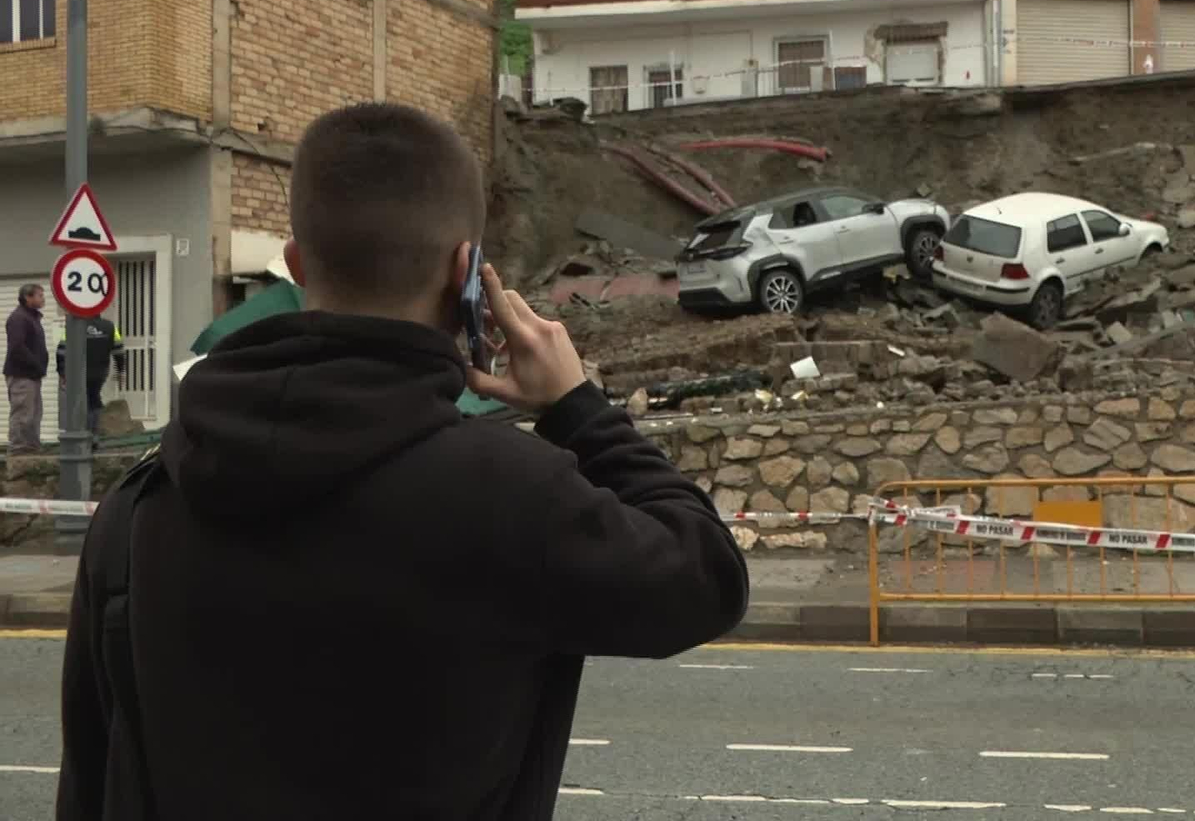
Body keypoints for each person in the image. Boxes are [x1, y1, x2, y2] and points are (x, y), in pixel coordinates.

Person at [57, 103, 750, 821]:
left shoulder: (134, 514)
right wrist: (576, 407)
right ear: (469, 275)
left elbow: (89, 781)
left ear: (295, 265)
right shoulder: (513, 496)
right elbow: (707, 577)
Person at [55, 312, 128, 440]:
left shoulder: (75, 327)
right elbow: (119, 350)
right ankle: (95, 431)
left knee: (86, 401)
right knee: (93, 398)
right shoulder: (110, 326)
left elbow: (61, 351)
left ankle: (88, 434)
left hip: (78, 372)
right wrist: (120, 371)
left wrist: (62, 373)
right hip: (100, 372)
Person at [5, 283, 48, 454]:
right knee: (23, 411)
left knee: (34, 412)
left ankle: (31, 446)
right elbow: (17, 347)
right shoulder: (19, 318)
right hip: (22, 374)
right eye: (40, 295)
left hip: (32, 374)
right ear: (27, 297)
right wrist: (36, 364)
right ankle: (19, 448)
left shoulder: (32, 317)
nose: (43, 299)